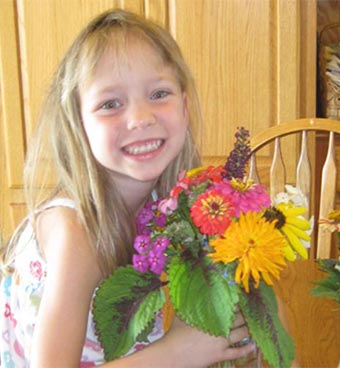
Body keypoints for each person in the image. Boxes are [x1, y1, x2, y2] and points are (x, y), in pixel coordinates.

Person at [0, 8, 256, 367]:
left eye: (158, 93)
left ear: (184, 106)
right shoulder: (78, 234)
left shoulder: (169, 207)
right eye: (110, 104)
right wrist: (179, 352)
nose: (140, 118)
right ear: (78, 124)